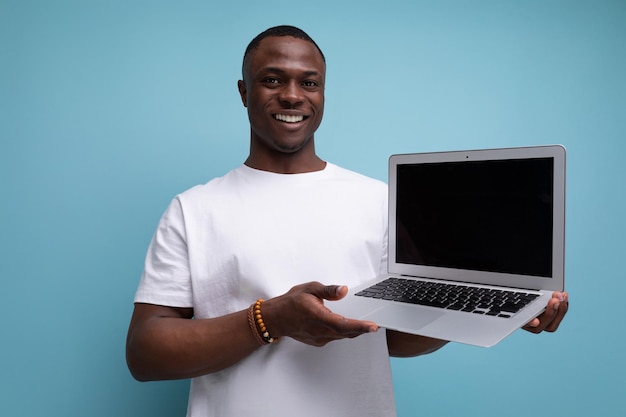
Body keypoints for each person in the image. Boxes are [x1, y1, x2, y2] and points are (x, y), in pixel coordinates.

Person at [126, 25, 568, 417]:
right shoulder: (194, 208)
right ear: (244, 91)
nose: (293, 95)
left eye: (309, 82)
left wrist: (479, 313)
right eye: (272, 79)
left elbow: (391, 341)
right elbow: (145, 354)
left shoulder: (380, 200)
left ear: (322, 93)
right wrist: (270, 320)